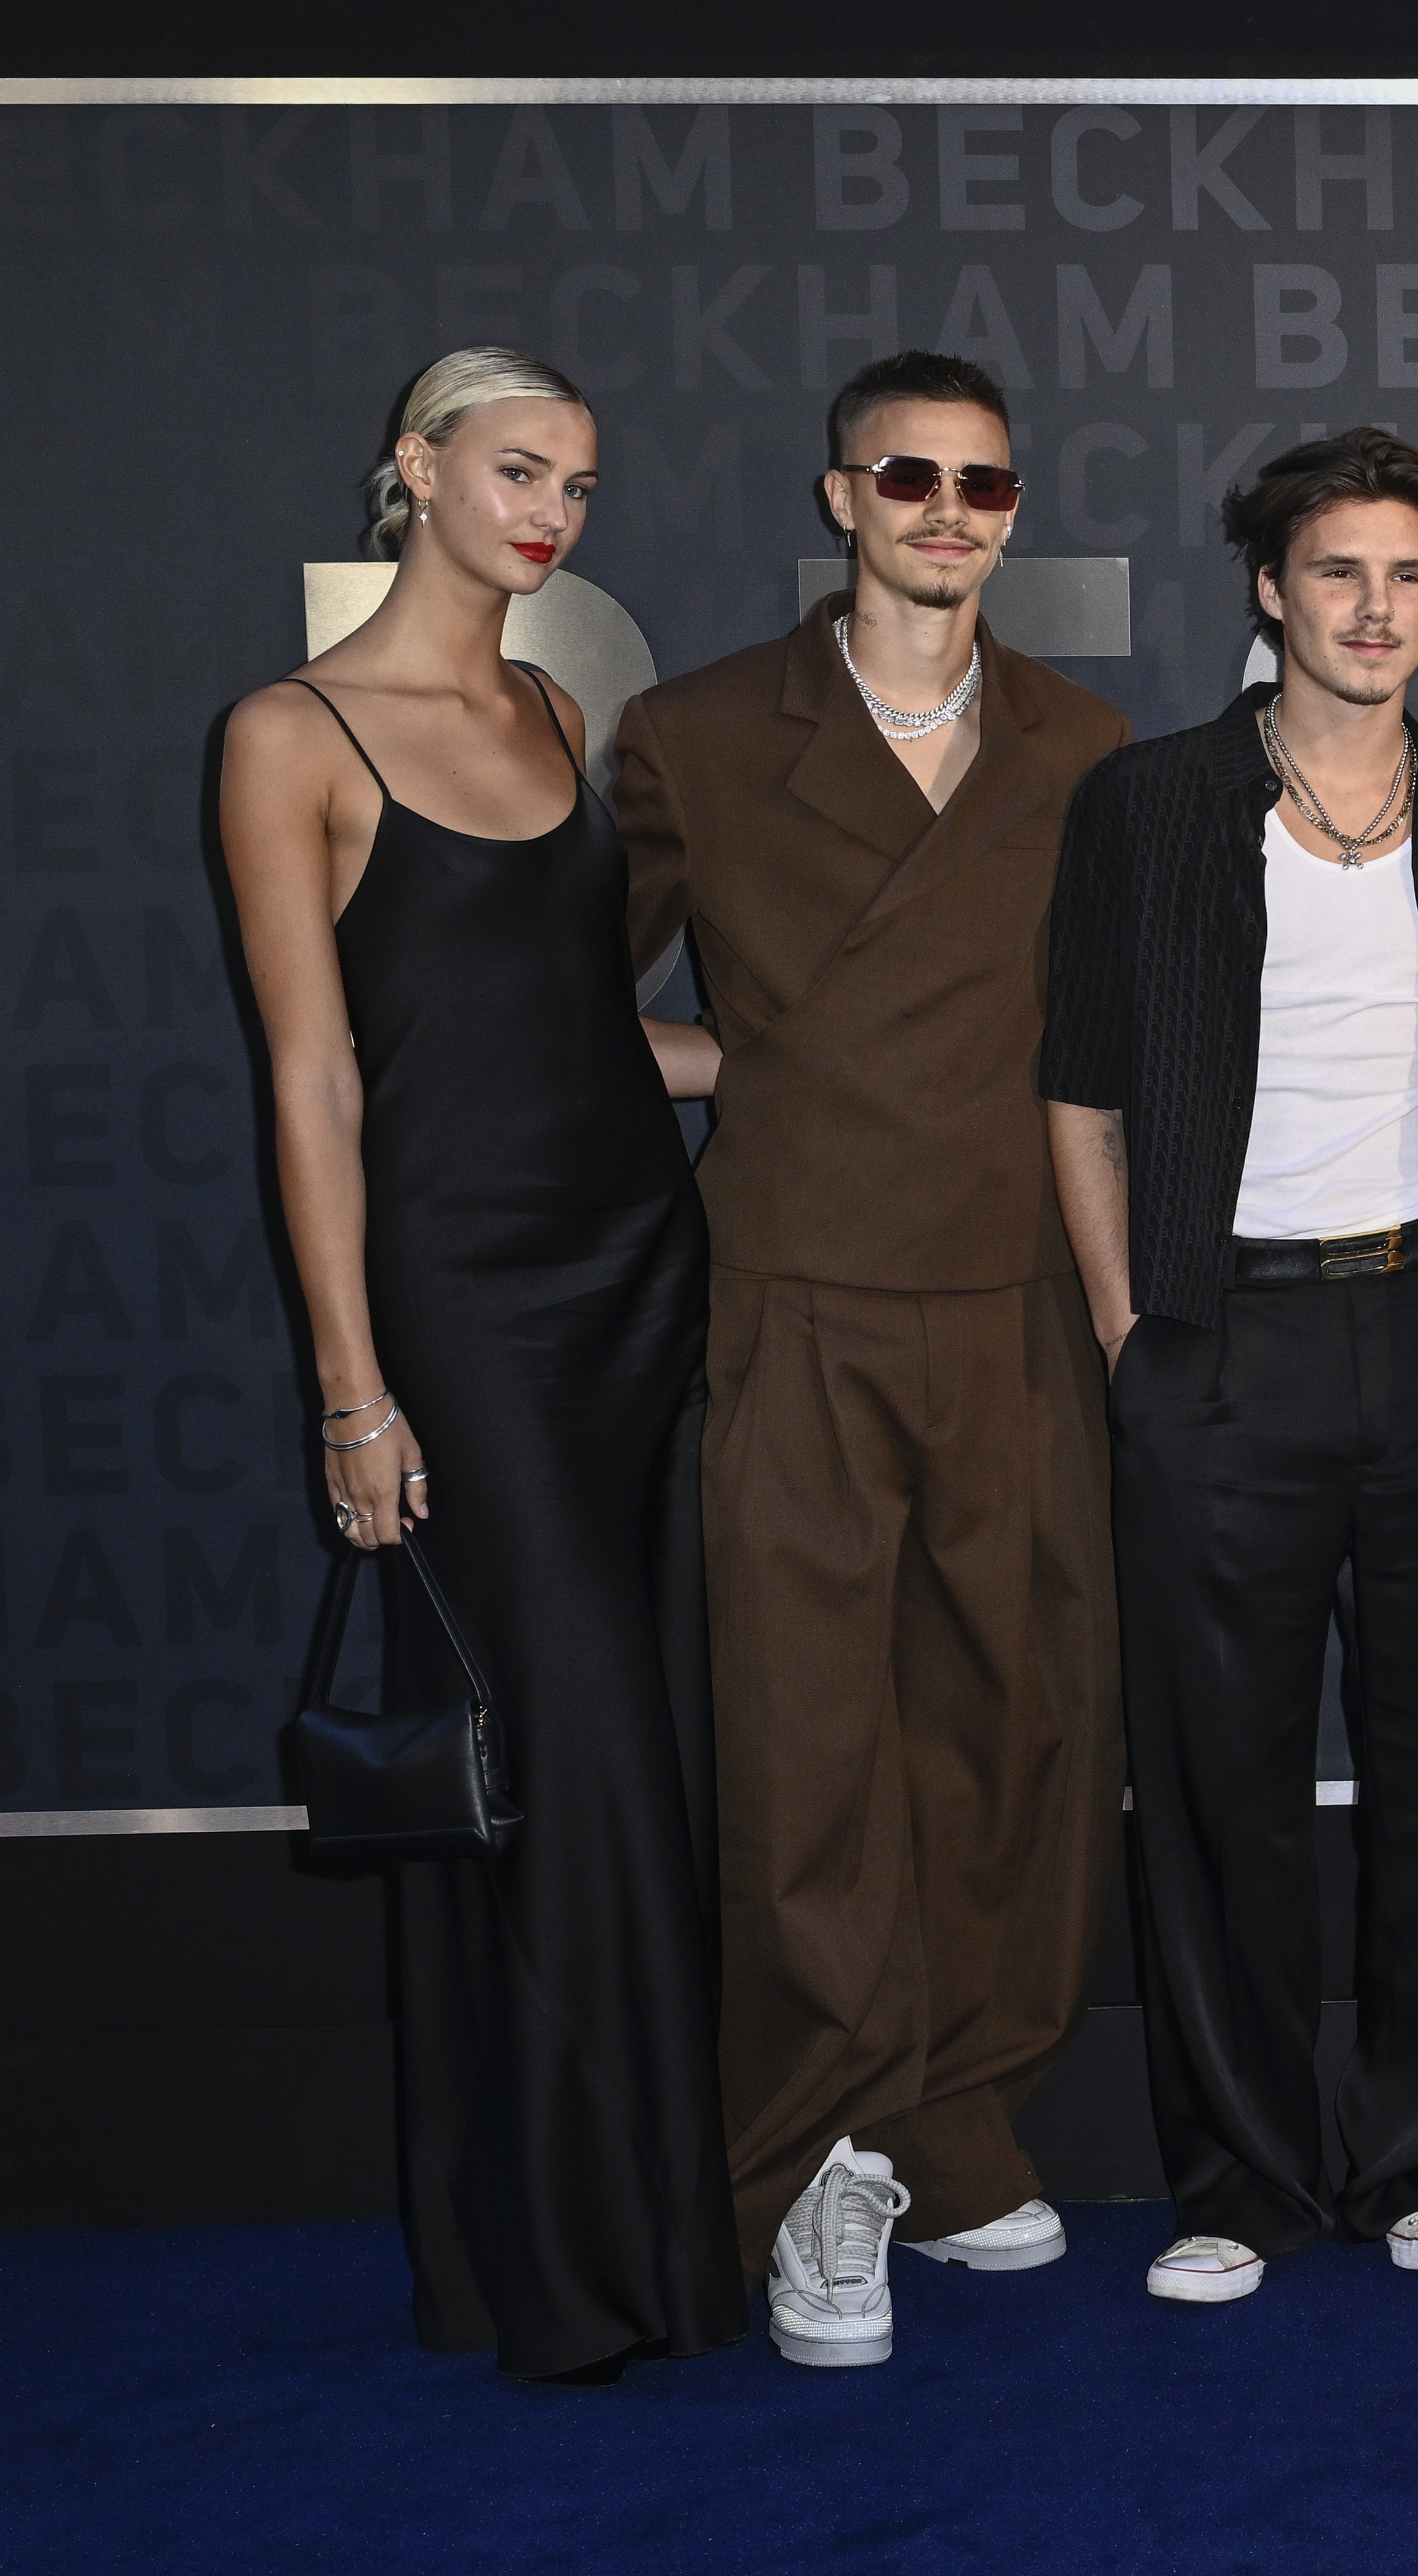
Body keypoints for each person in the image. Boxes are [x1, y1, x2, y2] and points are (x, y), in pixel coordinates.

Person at [221, 347, 743, 2382]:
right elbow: (316, 1078)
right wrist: (353, 1388)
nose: (552, 514)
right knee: (570, 1759)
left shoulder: (552, 714)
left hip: (643, 1278)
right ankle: (574, 2268)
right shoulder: (292, 733)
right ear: (416, 470)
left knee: (636, 1753)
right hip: (466, 1311)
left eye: (580, 487)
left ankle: (623, 2236)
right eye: (519, 472)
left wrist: (804, 1064)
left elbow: (575, 1033)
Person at [616, 350, 1133, 2368]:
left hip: (1013, 1293)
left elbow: (1121, 1040)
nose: (947, 513)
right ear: (840, 497)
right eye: (908, 477)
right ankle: (816, 2159)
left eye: (984, 485)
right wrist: (753, 1064)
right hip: (798, 1292)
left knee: (1016, 1733)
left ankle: (956, 2113)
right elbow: (549, 1003)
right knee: (807, 1745)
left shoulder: (1084, 743)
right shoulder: (697, 732)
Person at [1041, 430, 1418, 2306]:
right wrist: (1129, 1333)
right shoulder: (1149, 803)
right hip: (1218, 1340)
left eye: (1408, 577)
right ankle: (1240, 2180)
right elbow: (1080, 1091)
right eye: (1338, 572)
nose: (1375, 609)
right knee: (1215, 1785)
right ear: (1269, 590)